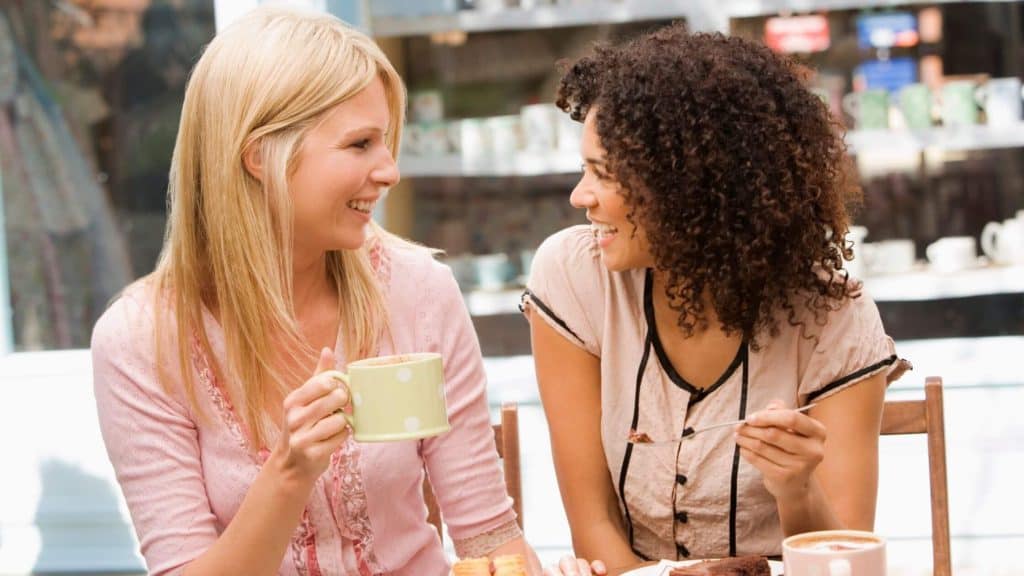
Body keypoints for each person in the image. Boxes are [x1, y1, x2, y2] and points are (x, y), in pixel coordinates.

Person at [91, 7, 541, 575]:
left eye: (386, 142)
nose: (389, 171)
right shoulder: (141, 341)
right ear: (260, 157)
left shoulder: (416, 289)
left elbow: (488, 538)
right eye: (360, 144)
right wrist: (289, 472)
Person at [523, 26, 909, 574]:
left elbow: (839, 563)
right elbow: (595, 527)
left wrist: (795, 486)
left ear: (687, 189)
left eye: (602, 174)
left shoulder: (833, 317)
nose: (579, 196)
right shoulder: (573, 277)